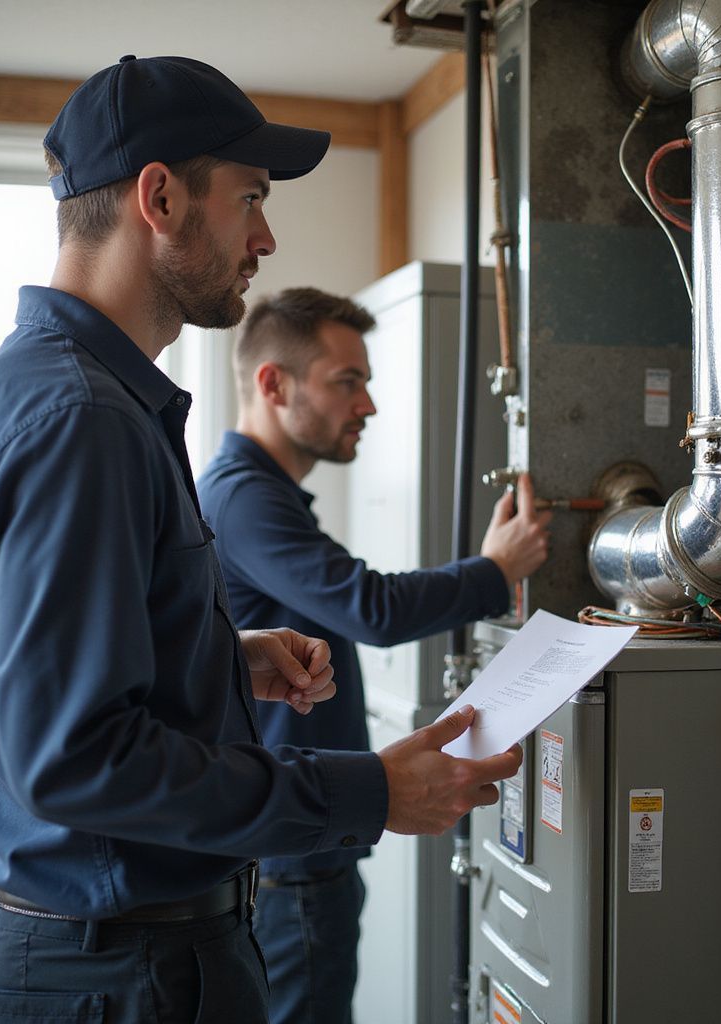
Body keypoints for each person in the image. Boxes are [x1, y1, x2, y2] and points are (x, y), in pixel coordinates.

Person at [0, 55, 522, 1024]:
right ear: (158, 197)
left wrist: (216, 657)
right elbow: (78, 759)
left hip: (116, 950)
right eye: (248, 197)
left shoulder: (72, 392)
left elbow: (31, 680)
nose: (265, 235)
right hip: (120, 967)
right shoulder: (81, 416)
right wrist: (366, 790)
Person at [196, 286, 551, 1024]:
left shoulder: (261, 498)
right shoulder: (243, 499)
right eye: (346, 381)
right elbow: (371, 607)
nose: (368, 405)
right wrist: (495, 570)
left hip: (302, 846)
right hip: (294, 862)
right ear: (273, 383)